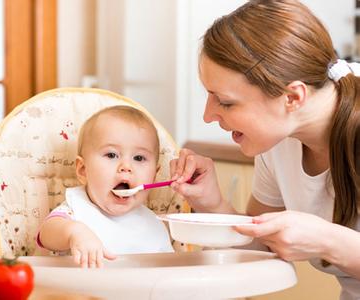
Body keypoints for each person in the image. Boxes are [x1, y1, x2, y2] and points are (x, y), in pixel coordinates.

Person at [170, 1, 360, 299]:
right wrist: (212, 203)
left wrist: (328, 240)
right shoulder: (278, 140)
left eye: (226, 102)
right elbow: (260, 245)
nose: (208, 115)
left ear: (293, 97)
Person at [38, 105, 173, 268]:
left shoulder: (154, 225)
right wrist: (74, 232)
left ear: (154, 175)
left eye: (139, 158)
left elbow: (167, 274)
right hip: (83, 292)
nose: (126, 166)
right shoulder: (74, 212)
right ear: (83, 170)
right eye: (111, 155)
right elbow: (45, 234)